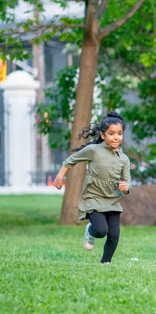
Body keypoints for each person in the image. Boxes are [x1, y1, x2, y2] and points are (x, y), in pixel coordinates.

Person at [54, 112, 132, 264]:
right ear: (103, 135)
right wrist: (59, 176)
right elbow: (71, 160)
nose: (116, 137)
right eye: (112, 133)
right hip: (93, 197)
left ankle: (106, 262)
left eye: (119, 134)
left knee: (114, 234)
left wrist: (125, 187)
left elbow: (128, 182)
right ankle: (91, 230)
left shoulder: (124, 159)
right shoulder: (94, 150)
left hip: (113, 200)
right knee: (101, 231)